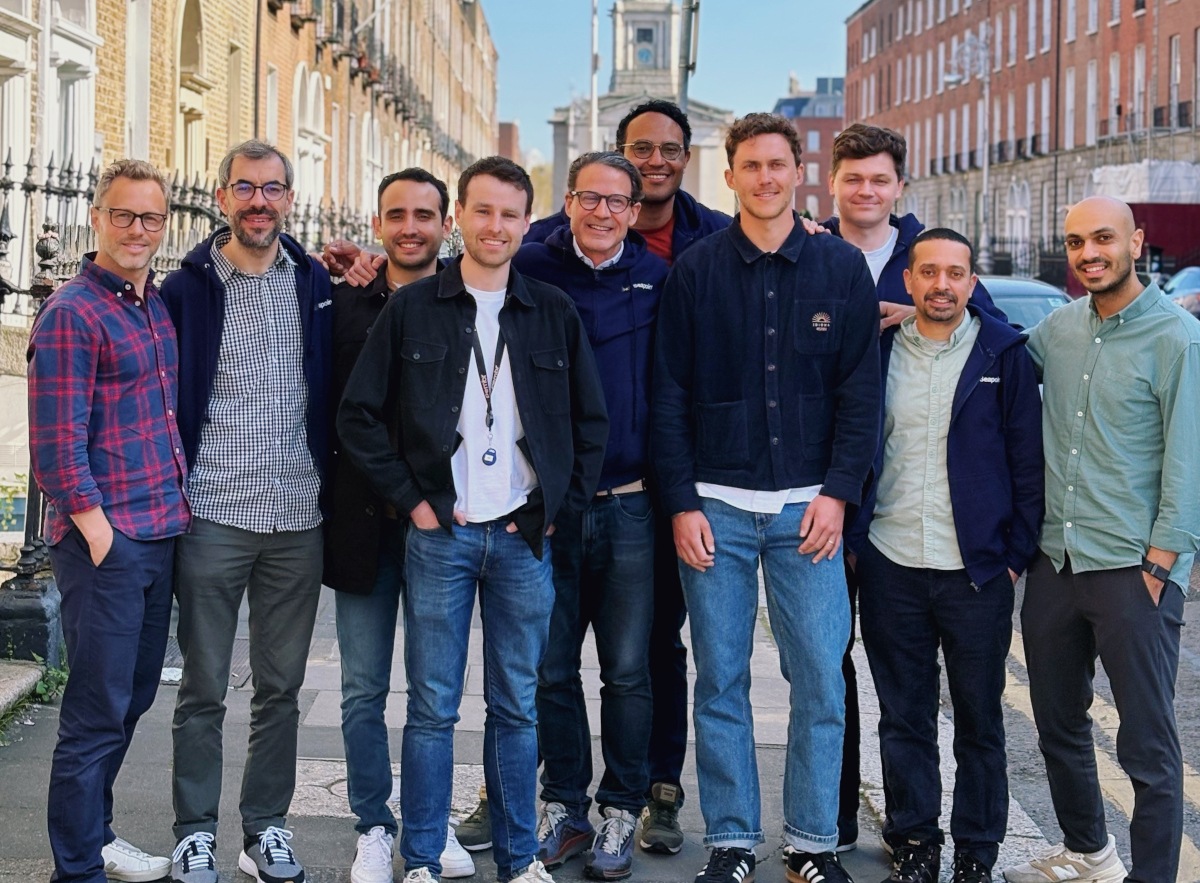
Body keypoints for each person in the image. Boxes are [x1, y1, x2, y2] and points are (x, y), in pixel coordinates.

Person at [337, 156, 609, 883]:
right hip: (442, 536)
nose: (495, 226)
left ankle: (519, 862)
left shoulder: (552, 310)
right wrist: (413, 500)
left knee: (516, 706)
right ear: (459, 217)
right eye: (482, 211)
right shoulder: (414, 308)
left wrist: (557, 509)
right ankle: (423, 859)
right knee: (432, 706)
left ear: (527, 222)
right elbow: (358, 415)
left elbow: (590, 423)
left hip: (523, 537)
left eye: (509, 214)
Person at [652, 113, 880, 883]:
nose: (766, 178)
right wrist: (681, 502)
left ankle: (812, 843)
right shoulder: (696, 271)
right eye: (751, 166)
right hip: (714, 507)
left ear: (797, 172)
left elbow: (860, 393)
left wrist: (839, 493)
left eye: (778, 164)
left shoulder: (841, 267)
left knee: (819, 677)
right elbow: (668, 393)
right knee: (720, 679)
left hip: (809, 511)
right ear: (730, 176)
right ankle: (732, 840)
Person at [820, 123, 1007, 854]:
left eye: (880, 179)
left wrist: (914, 316)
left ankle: (942, 843)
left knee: (951, 706)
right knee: (828, 676)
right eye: (854, 178)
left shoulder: (929, 257)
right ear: (833, 183)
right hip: (833, 505)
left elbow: (991, 336)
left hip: (924, 529)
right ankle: (833, 822)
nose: (866, 190)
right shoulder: (810, 249)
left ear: (900, 186)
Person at [1002, 196, 1200, 883]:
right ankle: (1089, 854)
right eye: (1076, 241)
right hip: (1055, 561)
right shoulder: (1058, 329)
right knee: (1057, 722)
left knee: (1147, 743)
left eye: (1104, 238)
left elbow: (1190, 460)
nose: (1089, 252)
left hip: (1134, 568)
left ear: (1136, 242)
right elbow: (989, 354)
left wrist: (1162, 563)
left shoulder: (1179, 338)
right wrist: (913, 312)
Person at [160, 140, 333, 883]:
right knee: (201, 688)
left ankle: (265, 828)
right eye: (245, 188)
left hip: (298, 518)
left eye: (272, 188)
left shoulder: (317, 282)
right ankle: (194, 831)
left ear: (289, 198)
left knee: (280, 691)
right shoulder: (185, 288)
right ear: (222, 196)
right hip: (212, 513)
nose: (259, 201)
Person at [849, 229, 1043, 883]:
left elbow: (1027, 463)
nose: (942, 284)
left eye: (955, 273)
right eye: (928, 271)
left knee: (980, 720)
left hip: (977, 571)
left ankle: (976, 852)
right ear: (908, 280)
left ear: (971, 282)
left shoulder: (1004, 353)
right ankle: (915, 843)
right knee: (904, 717)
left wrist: (1014, 556)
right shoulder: (878, 350)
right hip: (891, 562)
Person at [27, 159, 189, 883]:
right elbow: (56, 445)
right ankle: (76, 869)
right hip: (109, 542)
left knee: (132, 698)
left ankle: (95, 833)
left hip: (160, 529)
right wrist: (99, 534)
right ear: (97, 218)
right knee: (95, 712)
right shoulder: (73, 312)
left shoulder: (151, 303)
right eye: (123, 214)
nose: (137, 229)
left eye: (150, 217)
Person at [512, 152, 670, 880]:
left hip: (630, 504)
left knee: (628, 669)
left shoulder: (658, 279)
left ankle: (622, 806)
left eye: (617, 202)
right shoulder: (530, 267)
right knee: (550, 668)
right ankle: (564, 803)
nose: (603, 212)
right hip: (547, 507)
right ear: (568, 202)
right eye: (590, 198)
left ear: (634, 212)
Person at [325, 168, 478, 883]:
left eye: (424, 214)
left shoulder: (471, 299)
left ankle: (428, 822)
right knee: (361, 688)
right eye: (396, 214)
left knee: (434, 691)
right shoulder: (344, 301)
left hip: (441, 530)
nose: (410, 227)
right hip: (363, 524)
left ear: (447, 223)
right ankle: (373, 826)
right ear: (377, 223)